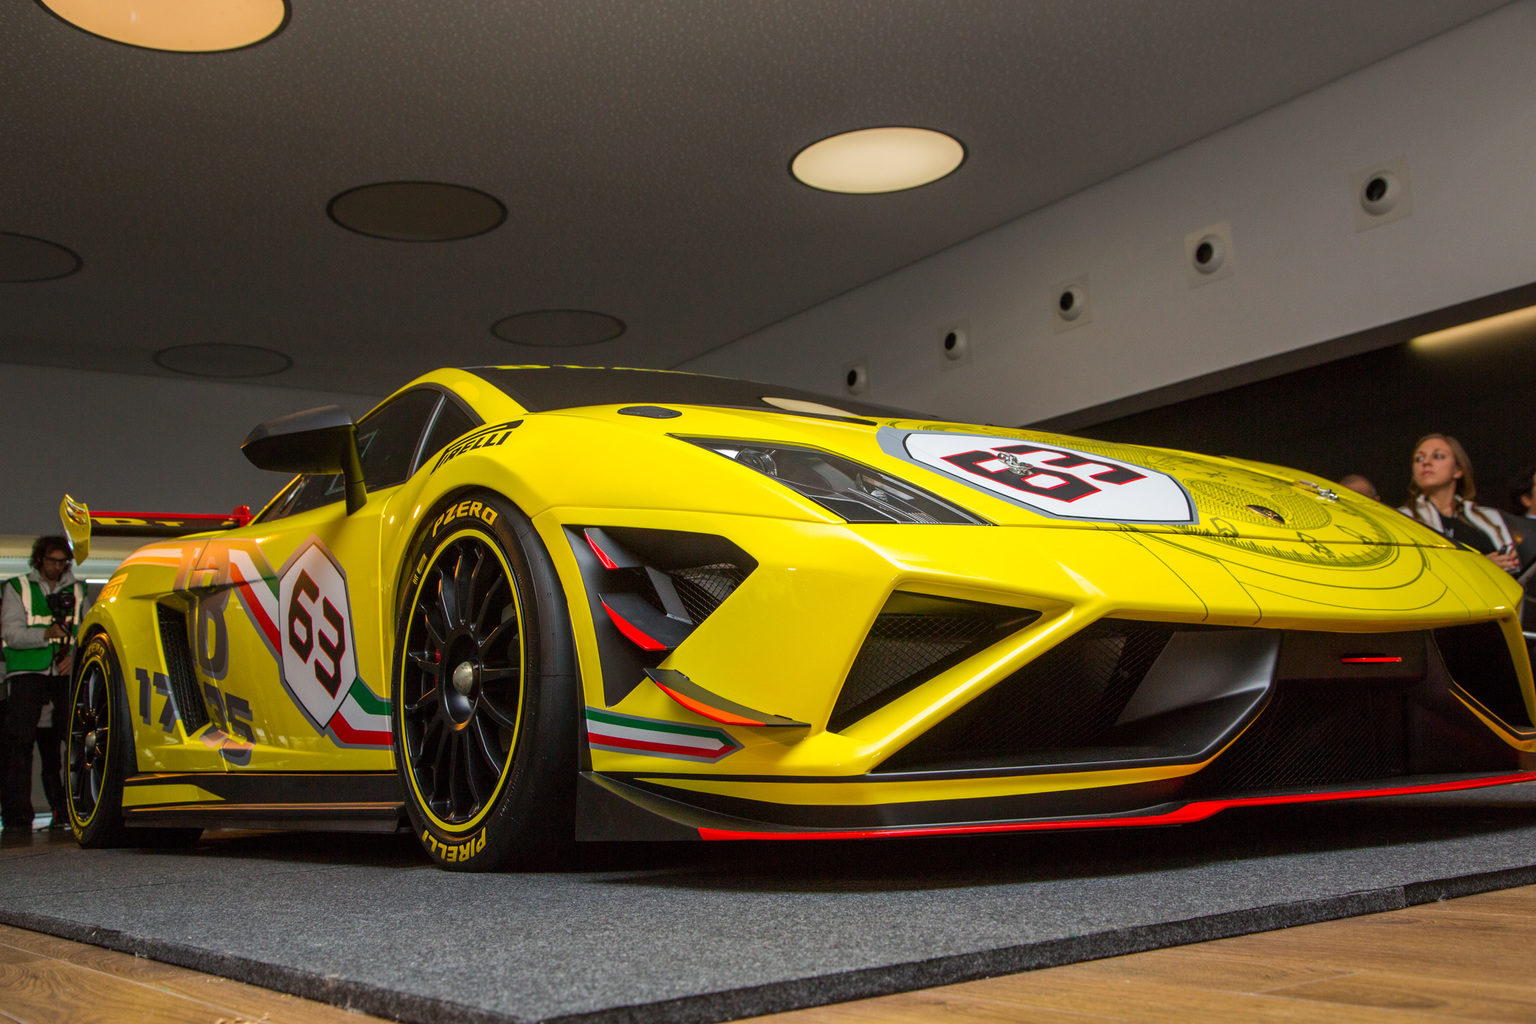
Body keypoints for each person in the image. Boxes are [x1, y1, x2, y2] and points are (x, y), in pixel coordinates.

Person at [1, 536, 88, 833]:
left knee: (77, 740)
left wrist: (73, 656)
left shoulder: (77, 589)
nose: (58, 566)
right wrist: (46, 635)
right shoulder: (17, 587)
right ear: (39, 560)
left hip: (65, 672)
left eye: (63, 561)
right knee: (19, 742)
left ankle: (74, 809)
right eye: (52, 560)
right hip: (26, 672)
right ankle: (16, 817)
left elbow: (86, 631)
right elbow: (11, 635)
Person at [1398, 434, 1518, 573]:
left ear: (1458, 470)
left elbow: (1515, 563)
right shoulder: (1402, 519)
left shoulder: (1490, 517)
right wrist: (1482, 568)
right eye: (1419, 458)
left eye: (1438, 456)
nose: (1426, 462)